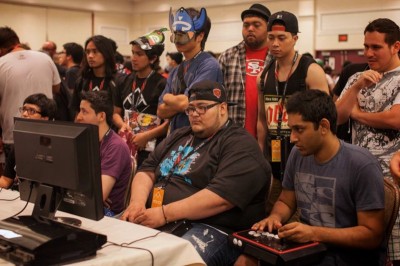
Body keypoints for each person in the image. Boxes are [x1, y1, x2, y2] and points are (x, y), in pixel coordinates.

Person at [122, 80, 271, 265]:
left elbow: (220, 198)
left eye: (202, 108)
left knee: (171, 261)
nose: (194, 114)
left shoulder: (240, 145)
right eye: (190, 109)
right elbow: (147, 169)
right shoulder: (180, 135)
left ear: (223, 108)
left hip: (213, 227)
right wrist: (136, 204)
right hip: (159, 216)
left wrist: (164, 213)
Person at [244, 90, 385, 266]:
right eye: (291, 129)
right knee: (246, 257)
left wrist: (314, 233)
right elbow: (286, 202)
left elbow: (372, 235)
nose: (293, 138)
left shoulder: (362, 164)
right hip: (307, 250)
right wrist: (275, 218)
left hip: (346, 256)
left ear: (324, 126)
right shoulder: (298, 154)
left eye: (299, 129)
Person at [335, 18, 400, 264]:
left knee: (392, 252)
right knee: (362, 247)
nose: (369, 53)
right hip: (357, 175)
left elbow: (395, 119)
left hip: (392, 178)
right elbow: (339, 116)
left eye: (376, 47)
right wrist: (356, 87)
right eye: (366, 47)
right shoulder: (357, 77)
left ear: (396, 47)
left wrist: (358, 114)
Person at [256, 11, 329, 215]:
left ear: (294, 39)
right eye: (271, 38)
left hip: (308, 162)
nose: (275, 44)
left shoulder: (311, 71)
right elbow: (262, 121)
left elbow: (326, 120)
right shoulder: (263, 76)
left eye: (282, 38)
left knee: (309, 217)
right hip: (277, 163)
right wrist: (260, 153)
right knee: (273, 217)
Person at [157, 7, 223, 133]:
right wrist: (179, 102)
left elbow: (186, 103)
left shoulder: (209, 65)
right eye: (175, 33)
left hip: (199, 138)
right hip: (176, 139)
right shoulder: (175, 71)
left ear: (200, 36)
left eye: (183, 34)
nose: (177, 39)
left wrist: (167, 98)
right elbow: (160, 111)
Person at [0, 27, 60, 162]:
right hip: (46, 131)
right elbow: (57, 88)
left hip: (13, 133)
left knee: (14, 177)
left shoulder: (1, 64)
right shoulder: (45, 58)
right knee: (45, 173)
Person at [113, 29, 168, 168]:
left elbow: (168, 123)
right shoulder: (123, 81)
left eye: (139, 54)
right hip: (125, 144)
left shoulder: (162, 84)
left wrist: (146, 136)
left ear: (153, 58)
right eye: (132, 53)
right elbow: (115, 112)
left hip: (151, 149)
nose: (133, 58)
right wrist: (122, 125)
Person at [218, 3, 271, 140]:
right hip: (233, 137)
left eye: (256, 25)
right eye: (246, 25)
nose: (250, 29)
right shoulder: (227, 57)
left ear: (268, 28)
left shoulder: (277, 58)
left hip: (271, 138)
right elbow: (217, 98)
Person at [76, 91, 132, 216]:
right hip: (82, 202)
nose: (78, 117)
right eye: (79, 111)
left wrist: (91, 191)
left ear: (101, 116)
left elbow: (98, 196)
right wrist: (89, 190)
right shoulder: (84, 140)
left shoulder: (116, 146)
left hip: (107, 213)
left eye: (84, 112)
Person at [0, 93, 57, 189]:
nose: (25, 114)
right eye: (24, 109)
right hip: (20, 197)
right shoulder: (19, 144)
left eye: (32, 111)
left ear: (45, 118)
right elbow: (6, 180)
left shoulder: (55, 147)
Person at [70, 35, 123, 119]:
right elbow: (75, 110)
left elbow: (118, 113)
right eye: (88, 52)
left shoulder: (118, 81)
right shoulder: (82, 80)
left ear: (106, 54)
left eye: (95, 52)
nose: (90, 56)